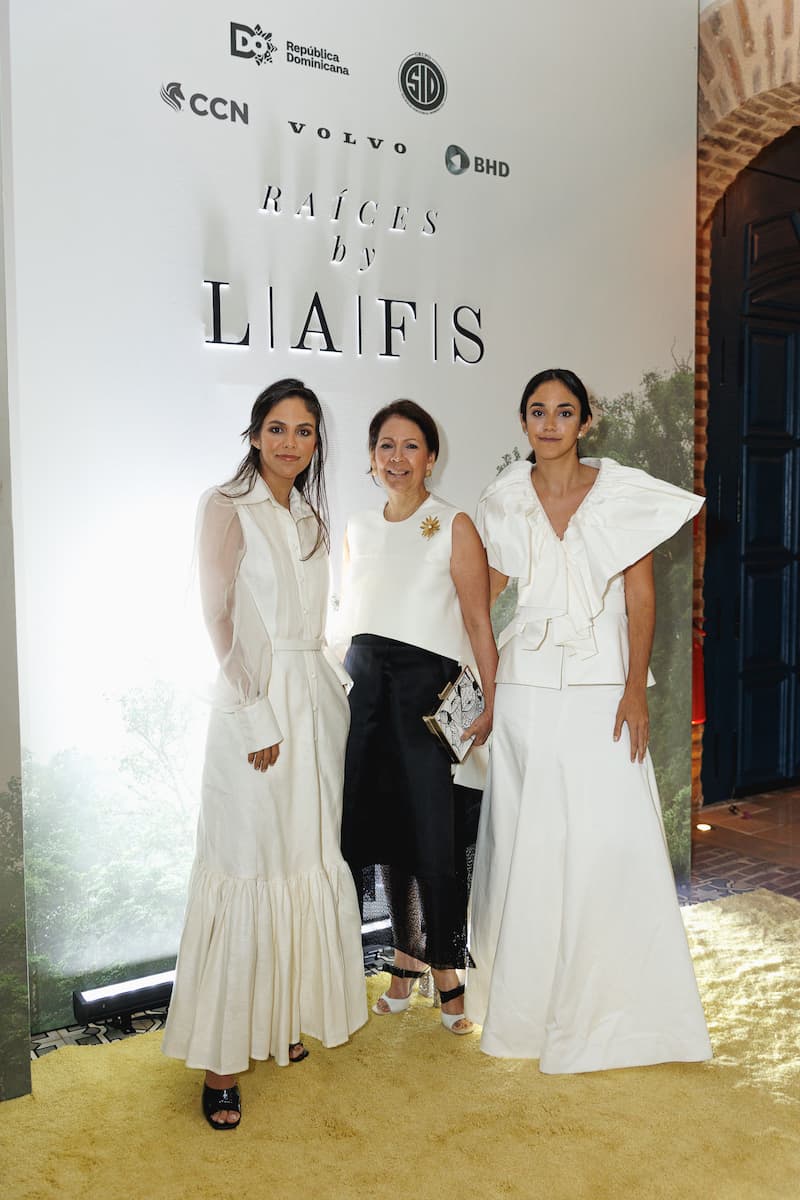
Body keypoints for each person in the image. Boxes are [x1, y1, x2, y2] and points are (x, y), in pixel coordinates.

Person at [466, 368, 712, 1073]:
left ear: (585, 421)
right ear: (523, 422)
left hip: (605, 682)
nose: (550, 423)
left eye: (563, 411)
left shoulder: (621, 491)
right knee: (527, 838)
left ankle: (625, 1010)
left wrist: (635, 688)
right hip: (527, 688)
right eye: (537, 411)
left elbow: (641, 597)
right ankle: (525, 1007)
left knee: (612, 835)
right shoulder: (502, 500)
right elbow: (488, 591)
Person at [162, 379, 367, 1128]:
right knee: (248, 865)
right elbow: (215, 614)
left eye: (304, 431)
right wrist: (254, 714)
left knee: (298, 861)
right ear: (254, 435)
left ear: (317, 442)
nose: (290, 442)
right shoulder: (225, 504)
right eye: (276, 428)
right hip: (256, 705)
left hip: (313, 704)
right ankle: (221, 1063)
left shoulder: (309, 515)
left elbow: (314, 623)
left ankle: (280, 1019)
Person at [338, 400, 498, 1034]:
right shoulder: (354, 526)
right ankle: (405, 960)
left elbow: (479, 619)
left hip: (428, 699)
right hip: (365, 692)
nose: (396, 458)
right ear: (371, 457)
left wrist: (489, 697)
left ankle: (447, 971)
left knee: (434, 836)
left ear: (432, 456)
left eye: (410, 446)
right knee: (382, 835)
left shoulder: (452, 523)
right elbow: (346, 614)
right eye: (385, 446)